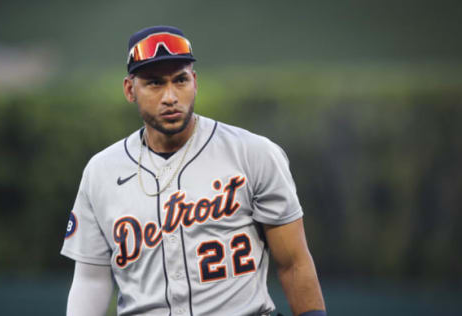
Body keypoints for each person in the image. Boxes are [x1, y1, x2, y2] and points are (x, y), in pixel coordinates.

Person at [61, 25, 326, 316]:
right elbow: (90, 279)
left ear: (195, 82)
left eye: (180, 80)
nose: (170, 96)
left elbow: (294, 263)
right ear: (129, 89)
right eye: (154, 83)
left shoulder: (253, 153)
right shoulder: (101, 171)